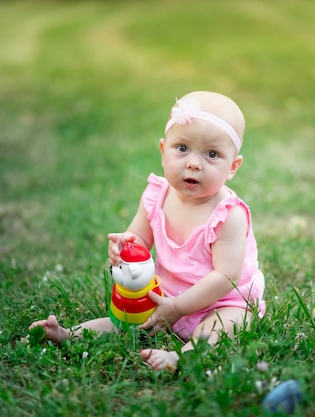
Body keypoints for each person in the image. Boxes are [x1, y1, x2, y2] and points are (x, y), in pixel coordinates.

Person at [29, 91, 266, 371]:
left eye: (212, 154)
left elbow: (225, 277)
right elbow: (139, 238)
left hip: (222, 301)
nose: (193, 162)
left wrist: (179, 309)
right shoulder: (157, 195)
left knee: (221, 326)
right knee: (127, 318)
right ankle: (70, 333)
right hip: (165, 295)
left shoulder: (229, 215)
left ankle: (180, 357)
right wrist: (125, 247)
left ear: (233, 167)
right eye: (182, 148)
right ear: (163, 150)